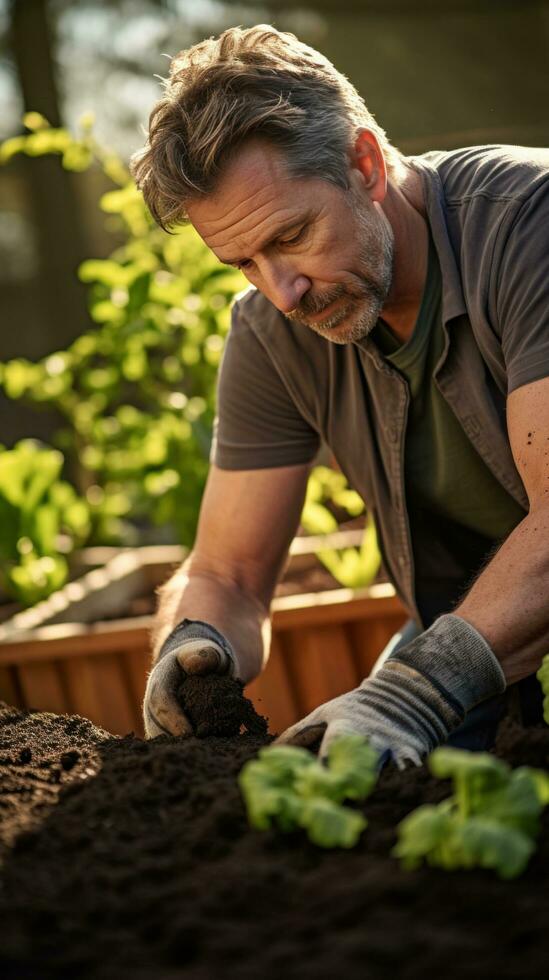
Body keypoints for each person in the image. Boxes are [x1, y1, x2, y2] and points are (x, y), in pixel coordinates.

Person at [131, 25, 549, 765]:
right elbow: (225, 572)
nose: (280, 291)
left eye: (292, 235)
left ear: (363, 164)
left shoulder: (527, 222)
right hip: (488, 634)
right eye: (242, 264)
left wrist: (414, 694)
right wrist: (193, 641)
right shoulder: (271, 330)